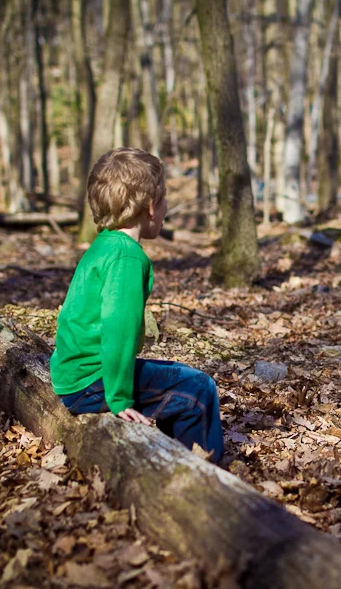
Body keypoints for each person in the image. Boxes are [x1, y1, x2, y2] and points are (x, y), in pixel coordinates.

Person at [50, 148, 223, 462]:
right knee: (198, 390)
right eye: (165, 200)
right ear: (151, 206)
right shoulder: (127, 257)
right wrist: (120, 400)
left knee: (181, 377)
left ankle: (173, 455)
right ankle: (201, 472)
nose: (167, 208)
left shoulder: (103, 244)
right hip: (92, 382)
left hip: (75, 375)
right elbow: (118, 329)